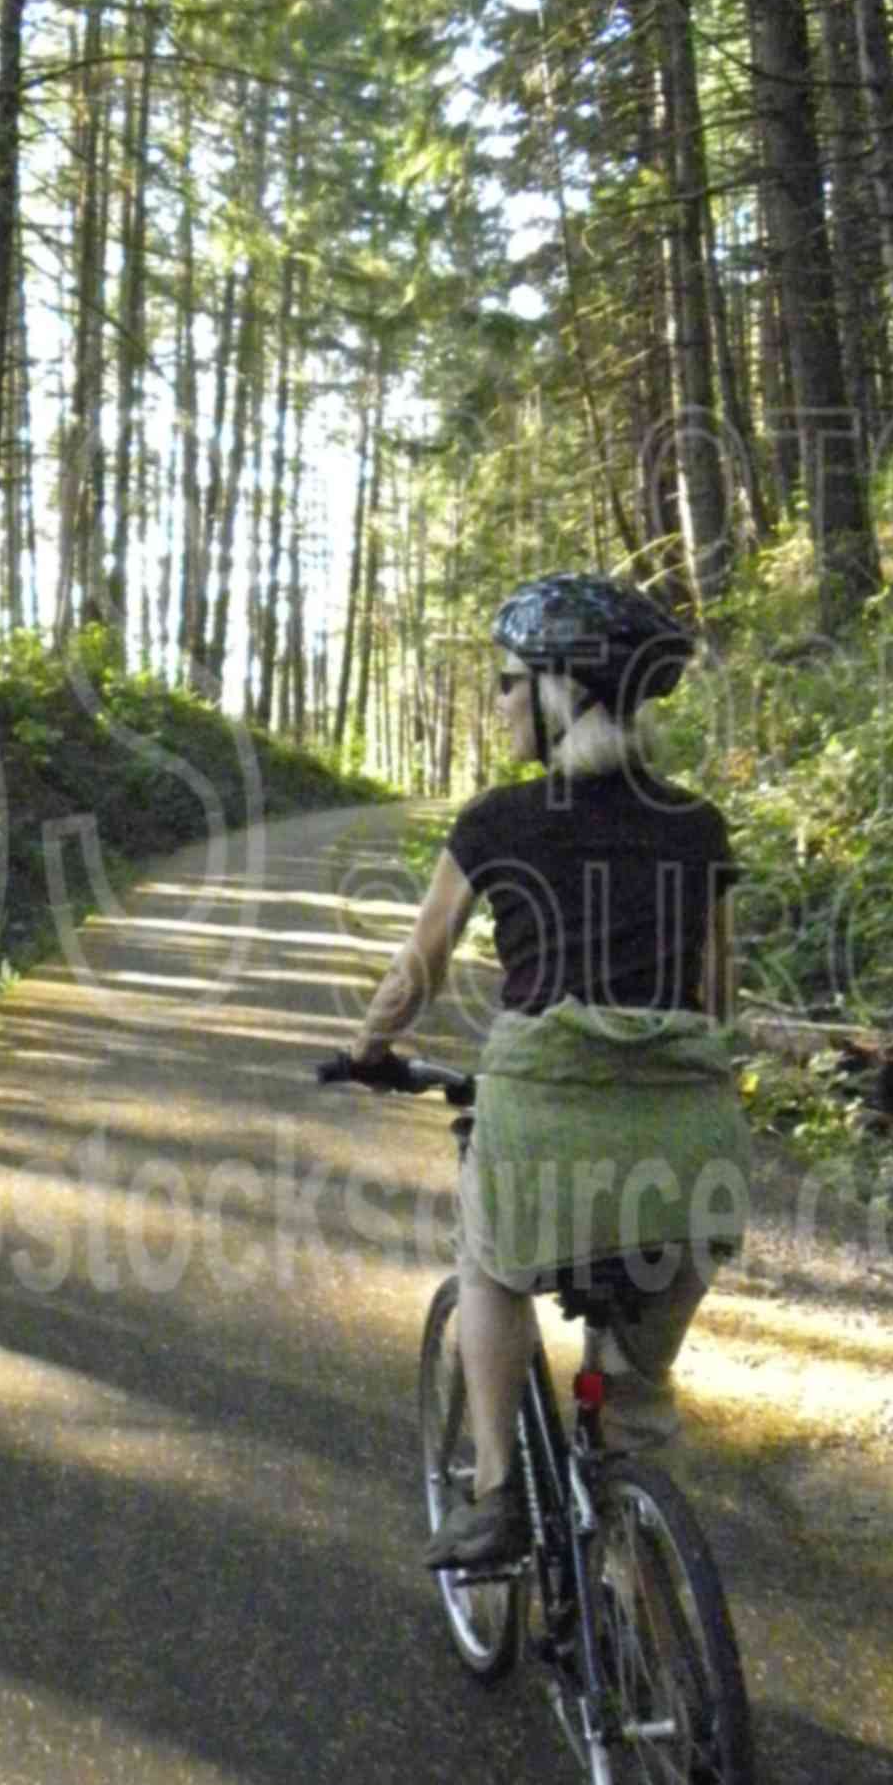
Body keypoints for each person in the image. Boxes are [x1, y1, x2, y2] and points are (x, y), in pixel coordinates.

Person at [349, 573, 750, 1570]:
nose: (500, 702)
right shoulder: (699, 829)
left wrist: (370, 1049)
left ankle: (496, 1495)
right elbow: (714, 1000)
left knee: (488, 1260)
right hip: (685, 1163)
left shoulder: (497, 824)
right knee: (636, 1399)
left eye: (508, 682)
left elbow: (418, 970)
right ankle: (645, 1616)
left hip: (547, 1138)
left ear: (563, 692)